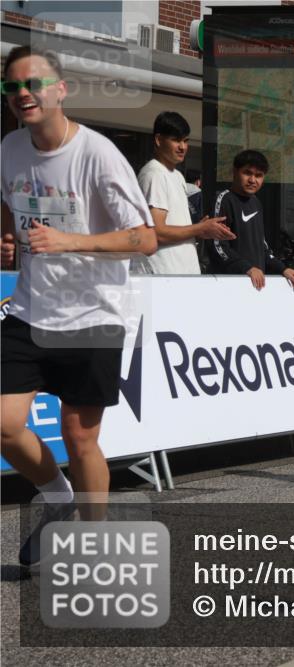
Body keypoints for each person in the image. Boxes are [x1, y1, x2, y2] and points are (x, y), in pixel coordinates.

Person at [0, 46, 158, 567]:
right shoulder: (9, 148)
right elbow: (10, 205)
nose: (23, 94)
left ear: (61, 89)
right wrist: (8, 238)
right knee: (3, 424)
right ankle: (57, 496)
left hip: (93, 313)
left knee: (79, 436)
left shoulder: (98, 154)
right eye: (12, 86)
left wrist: (71, 242)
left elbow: (145, 239)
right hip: (30, 309)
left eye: (34, 84)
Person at [133, 112, 232, 275]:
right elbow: (156, 232)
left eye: (185, 141)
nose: (183, 147)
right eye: (176, 140)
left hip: (181, 275)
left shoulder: (177, 175)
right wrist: (199, 228)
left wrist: (202, 230)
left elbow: (175, 230)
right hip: (163, 276)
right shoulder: (154, 174)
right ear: (158, 140)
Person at [207, 149, 294, 290]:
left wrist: (282, 268)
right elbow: (217, 246)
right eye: (247, 173)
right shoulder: (224, 200)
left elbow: (262, 247)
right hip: (229, 286)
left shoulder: (256, 203)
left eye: (258, 175)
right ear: (234, 172)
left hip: (255, 286)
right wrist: (247, 268)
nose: (252, 180)